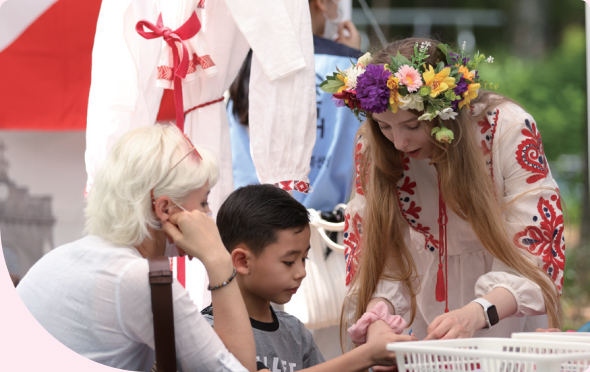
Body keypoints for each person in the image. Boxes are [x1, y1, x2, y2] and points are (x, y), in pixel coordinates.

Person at [319, 38, 564, 345]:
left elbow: (537, 243)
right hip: (428, 317)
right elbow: (379, 249)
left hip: (508, 312)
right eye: (384, 126)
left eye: (411, 125)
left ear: (446, 110)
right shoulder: (372, 145)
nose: (398, 143)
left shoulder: (507, 127)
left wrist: (477, 313)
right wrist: (380, 316)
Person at [16, 124, 256, 372]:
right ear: (164, 209)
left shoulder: (59, 258)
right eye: (204, 201)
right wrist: (218, 259)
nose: (208, 214)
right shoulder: (138, 279)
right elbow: (239, 368)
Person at [202, 184, 415, 371]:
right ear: (242, 261)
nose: (302, 272)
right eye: (288, 261)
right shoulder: (209, 331)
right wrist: (367, 355)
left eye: (304, 258)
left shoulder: (295, 332)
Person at [228, 0, 363, 212]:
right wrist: (352, 57)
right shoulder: (349, 67)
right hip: (330, 224)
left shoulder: (248, 60)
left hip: (251, 215)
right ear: (322, 3)